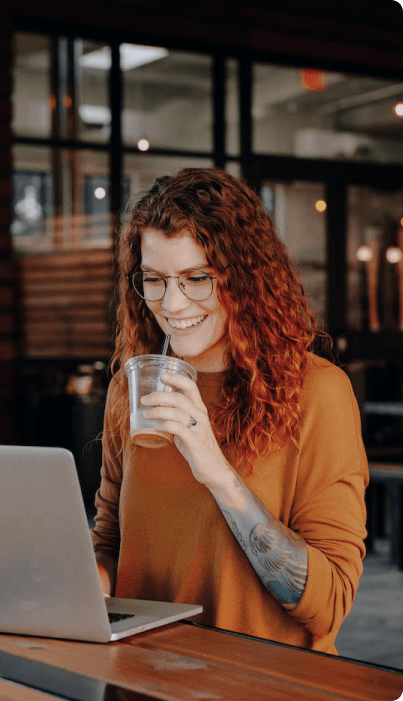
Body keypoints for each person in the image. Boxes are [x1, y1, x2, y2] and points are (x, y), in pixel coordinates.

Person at [91, 167, 368, 655]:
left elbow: (328, 605)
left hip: (262, 682)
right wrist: (75, 582)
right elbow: (111, 539)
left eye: (197, 278)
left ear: (245, 277)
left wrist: (217, 471)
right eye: (154, 279)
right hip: (142, 676)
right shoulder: (131, 388)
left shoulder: (318, 393)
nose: (172, 304)